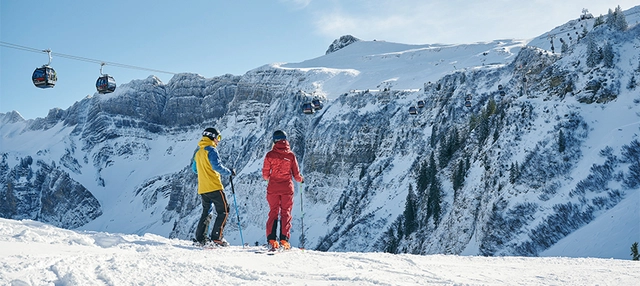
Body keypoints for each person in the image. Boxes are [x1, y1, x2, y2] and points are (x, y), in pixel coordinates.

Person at [191, 127, 235, 247]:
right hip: (214, 186)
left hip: (203, 188)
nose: (219, 141)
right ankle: (217, 237)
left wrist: (204, 171)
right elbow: (217, 167)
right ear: (213, 137)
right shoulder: (211, 150)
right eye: (218, 138)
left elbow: (194, 170)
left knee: (206, 212)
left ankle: (201, 238)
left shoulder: (199, 152)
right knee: (224, 211)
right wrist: (230, 172)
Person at [261, 130, 304, 250]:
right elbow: (296, 175)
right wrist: (301, 179)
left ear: (274, 140)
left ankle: (272, 240)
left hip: (273, 188)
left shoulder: (270, 155)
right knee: (286, 213)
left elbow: (265, 174)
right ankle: (284, 241)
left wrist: (270, 178)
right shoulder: (291, 155)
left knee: (273, 212)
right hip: (287, 188)